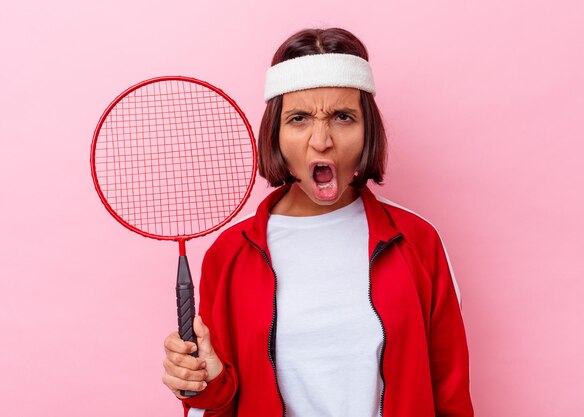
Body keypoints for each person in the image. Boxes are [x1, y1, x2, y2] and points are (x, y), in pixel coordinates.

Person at [162, 27, 474, 417]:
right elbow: (220, 404)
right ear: (275, 132)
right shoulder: (230, 254)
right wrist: (204, 385)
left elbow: (450, 394)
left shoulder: (417, 242)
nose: (322, 140)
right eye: (299, 118)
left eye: (343, 117)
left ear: (368, 130)